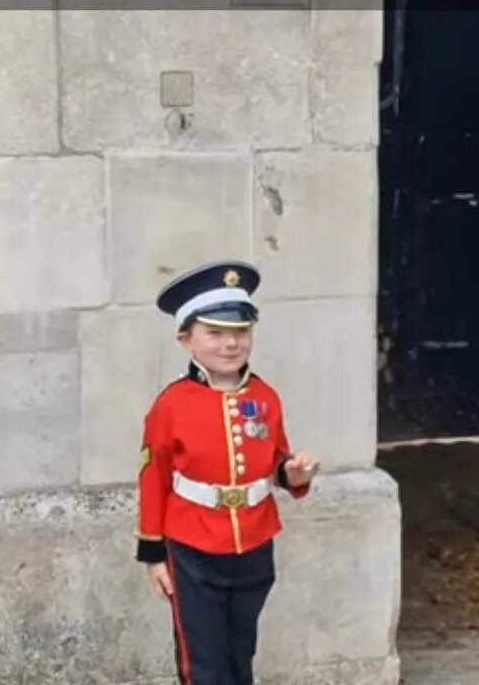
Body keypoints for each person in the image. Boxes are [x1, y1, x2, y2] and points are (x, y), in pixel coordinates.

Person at [135, 260, 319, 685]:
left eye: (240, 332)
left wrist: (292, 473)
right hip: (192, 544)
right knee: (204, 661)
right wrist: (153, 554)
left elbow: (273, 462)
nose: (230, 344)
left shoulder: (265, 396)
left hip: (253, 542)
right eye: (214, 333)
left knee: (240, 653)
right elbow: (153, 476)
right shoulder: (172, 404)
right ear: (186, 340)